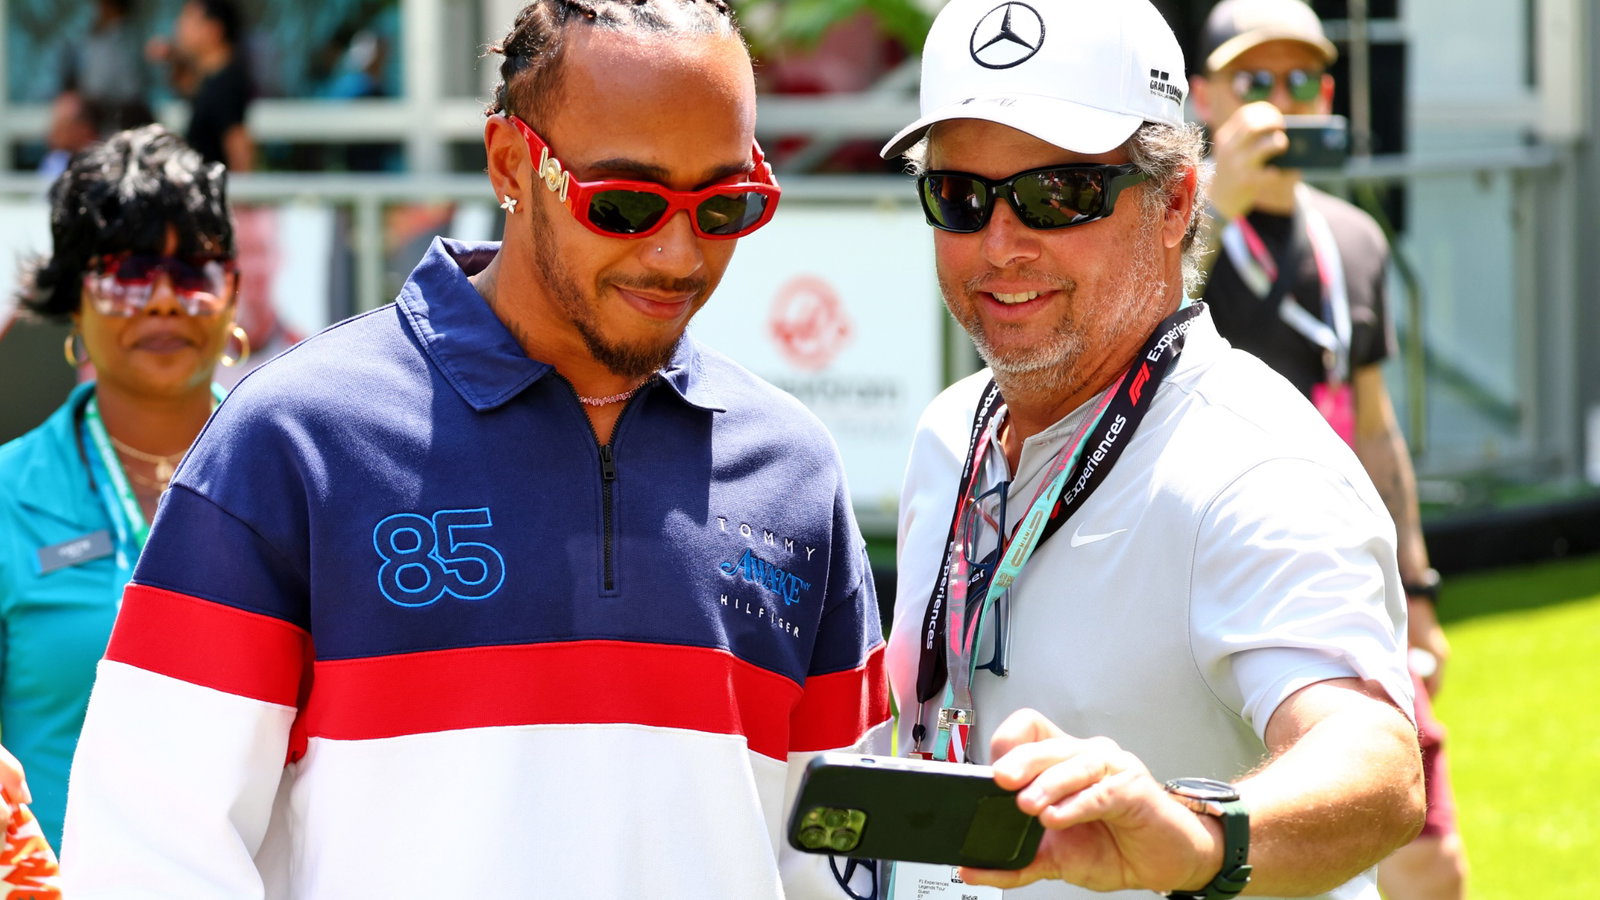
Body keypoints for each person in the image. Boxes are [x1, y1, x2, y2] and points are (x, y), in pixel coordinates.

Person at [62, 2, 888, 897]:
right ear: (509, 163)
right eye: (624, 204)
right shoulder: (294, 438)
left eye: (725, 205)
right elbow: (148, 849)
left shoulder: (794, 468)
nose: (679, 254)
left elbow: (840, 859)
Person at [879, 0, 1423, 897]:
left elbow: (1374, 764)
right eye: (960, 196)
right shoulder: (951, 431)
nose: (1001, 244)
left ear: (1175, 201)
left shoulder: (1252, 463)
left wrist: (1199, 836)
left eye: (1060, 194)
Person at [1188, 1, 1467, 896]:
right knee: (1255, 837)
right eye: (1254, 82)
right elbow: (1133, 334)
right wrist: (1213, 211)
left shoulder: (1353, 237)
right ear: (1204, 98)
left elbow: (1377, 426)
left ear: (1329, 93)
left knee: (1433, 857)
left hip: (1348, 575)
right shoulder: (1172, 234)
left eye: (1300, 80)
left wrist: (1418, 588)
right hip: (1214, 570)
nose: (1281, 103)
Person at [0, 124, 245, 853]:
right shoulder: (8, 498)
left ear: (231, 293)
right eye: (129, 272)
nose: (165, 300)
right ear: (72, 299)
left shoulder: (302, 481)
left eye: (195, 272)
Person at [149, 0, 254, 171]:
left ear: (214, 29)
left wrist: (241, 194)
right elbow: (184, 84)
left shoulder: (225, 85)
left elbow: (239, 147)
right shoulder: (211, 80)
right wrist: (172, 56)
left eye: (189, 18)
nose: (179, 26)